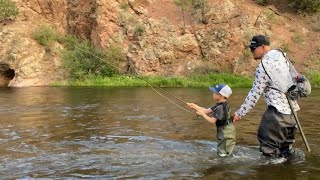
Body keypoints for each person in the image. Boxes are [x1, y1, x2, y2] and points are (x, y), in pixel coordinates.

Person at [233, 35, 299, 158]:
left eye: (253, 48)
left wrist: (239, 113)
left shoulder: (263, 66)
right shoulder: (282, 56)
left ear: (263, 47)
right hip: (293, 114)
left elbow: (254, 94)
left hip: (277, 115)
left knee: (269, 152)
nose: (251, 51)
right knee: (286, 152)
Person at [187, 84, 236, 157]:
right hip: (227, 129)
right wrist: (194, 106)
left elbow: (212, 121)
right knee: (225, 150)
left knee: (223, 153)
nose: (213, 94)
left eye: (215, 92)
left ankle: (224, 165)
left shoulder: (220, 108)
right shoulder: (220, 104)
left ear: (221, 95)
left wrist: (202, 114)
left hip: (225, 132)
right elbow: (206, 110)